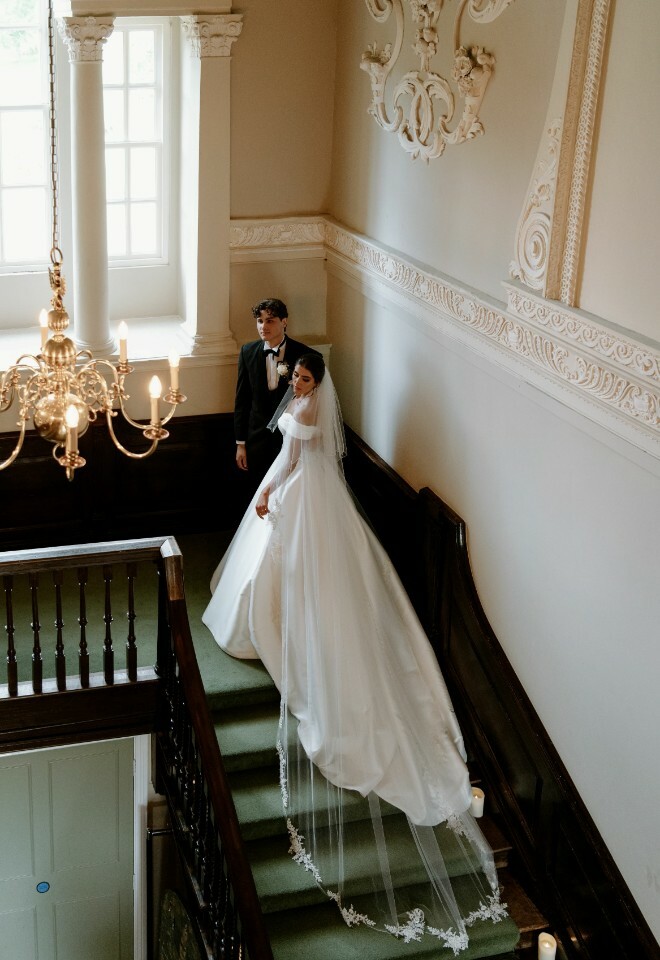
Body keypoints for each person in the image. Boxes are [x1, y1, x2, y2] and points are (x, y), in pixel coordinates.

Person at [203, 355, 508, 951]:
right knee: (308, 578)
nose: (298, 384)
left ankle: (274, 629)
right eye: (296, 377)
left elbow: (293, 461)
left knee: (296, 581)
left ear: (317, 383)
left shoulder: (308, 409)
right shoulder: (309, 402)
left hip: (302, 494)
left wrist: (268, 494)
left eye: (305, 379)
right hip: (315, 495)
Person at [234, 298, 318, 490]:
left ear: (284, 322)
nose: (263, 326)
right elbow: (242, 400)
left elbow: (313, 402)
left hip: (291, 441)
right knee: (258, 491)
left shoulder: (306, 355)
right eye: (260, 321)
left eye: (270, 321)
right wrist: (241, 444)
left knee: (287, 491)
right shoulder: (247, 352)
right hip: (256, 440)